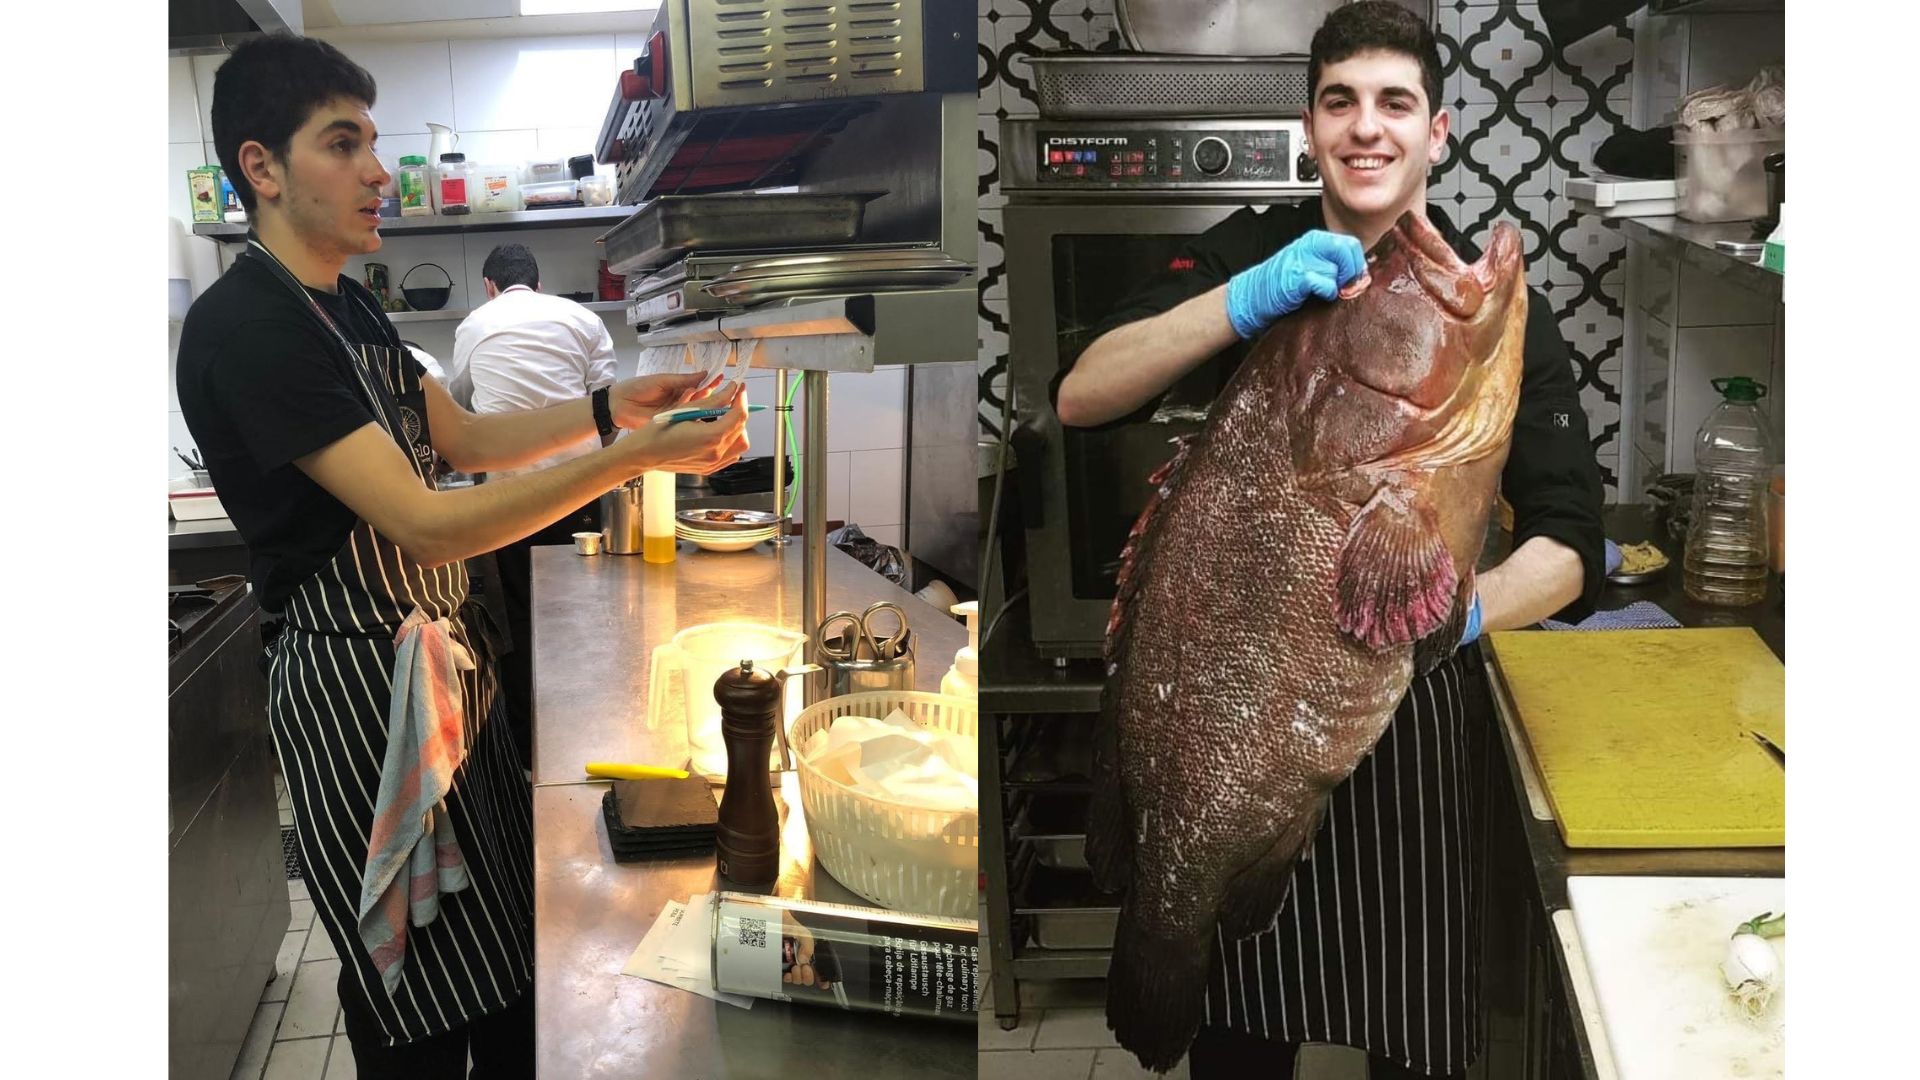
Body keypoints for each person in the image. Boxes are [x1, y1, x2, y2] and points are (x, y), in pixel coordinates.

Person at [174, 34, 747, 1078]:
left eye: (373, 143)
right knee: (421, 1007)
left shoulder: (342, 302)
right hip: (362, 692)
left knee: (504, 975)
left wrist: (616, 408)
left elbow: (464, 442)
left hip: (438, 672)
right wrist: (630, 463)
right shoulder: (247, 326)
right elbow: (429, 523)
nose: (376, 171)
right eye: (342, 145)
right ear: (261, 168)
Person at [1053, 4, 1605, 1078]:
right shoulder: (1247, 252)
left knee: (1409, 1039)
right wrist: (1242, 302)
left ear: (1437, 130)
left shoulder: (1489, 323)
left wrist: (1456, 618)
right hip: (1222, 697)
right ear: (1310, 127)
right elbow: (1080, 392)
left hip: (1412, 730)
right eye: (1341, 102)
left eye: (1395, 103)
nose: (1368, 128)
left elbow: (1573, 546)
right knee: (1238, 1047)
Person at [448, 242, 621, 769]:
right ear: (539, 283)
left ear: (490, 285)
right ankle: (589, 741)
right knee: (584, 619)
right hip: (579, 491)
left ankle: (531, 754)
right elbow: (609, 403)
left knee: (522, 622)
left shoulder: (475, 323)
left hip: (509, 499)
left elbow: (461, 404)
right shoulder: (581, 317)